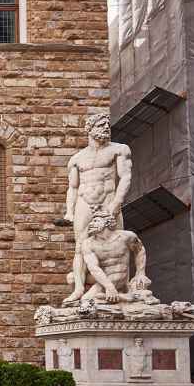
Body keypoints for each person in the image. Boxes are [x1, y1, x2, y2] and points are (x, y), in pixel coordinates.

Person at [56, 114, 132, 306]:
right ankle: (79, 288)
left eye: (108, 124)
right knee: (80, 246)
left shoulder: (119, 150)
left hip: (108, 201)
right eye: (100, 124)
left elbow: (125, 178)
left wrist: (115, 204)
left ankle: (122, 287)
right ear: (89, 129)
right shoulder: (76, 158)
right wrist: (69, 211)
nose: (106, 127)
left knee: (118, 242)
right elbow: (72, 187)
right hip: (84, 203)